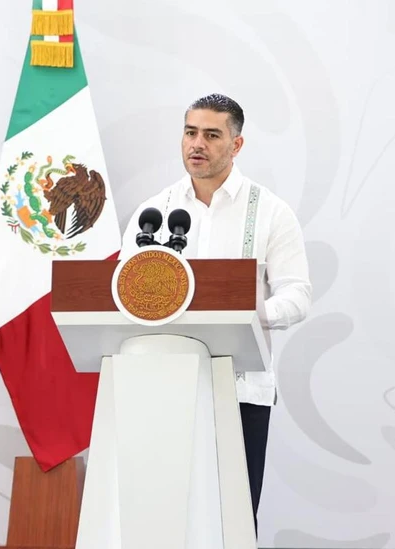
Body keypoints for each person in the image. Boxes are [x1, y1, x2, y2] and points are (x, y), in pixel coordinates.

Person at [120, 94, 312, 532]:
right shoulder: (156, 212)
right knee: (162, 520)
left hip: (240, 391)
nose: (197, 144)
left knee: (233, 522)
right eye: (190, 132)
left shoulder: (270, 212)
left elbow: (297, 296)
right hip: (162, 389)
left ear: (236, 145)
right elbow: (122, 294)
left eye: (211, 134)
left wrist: (244, 314)